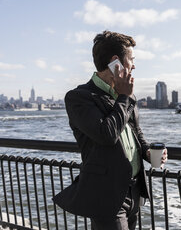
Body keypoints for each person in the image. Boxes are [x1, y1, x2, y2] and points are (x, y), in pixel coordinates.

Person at [53, 30, 167, 230]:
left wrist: (148, 151)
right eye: (131, 59)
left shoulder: (126, 95)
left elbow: (135, 133)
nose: (134, 65)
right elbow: (106, 134)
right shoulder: (79, 97)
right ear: (116, 62)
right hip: (106, 194)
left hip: (134, 191)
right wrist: (124, 97)